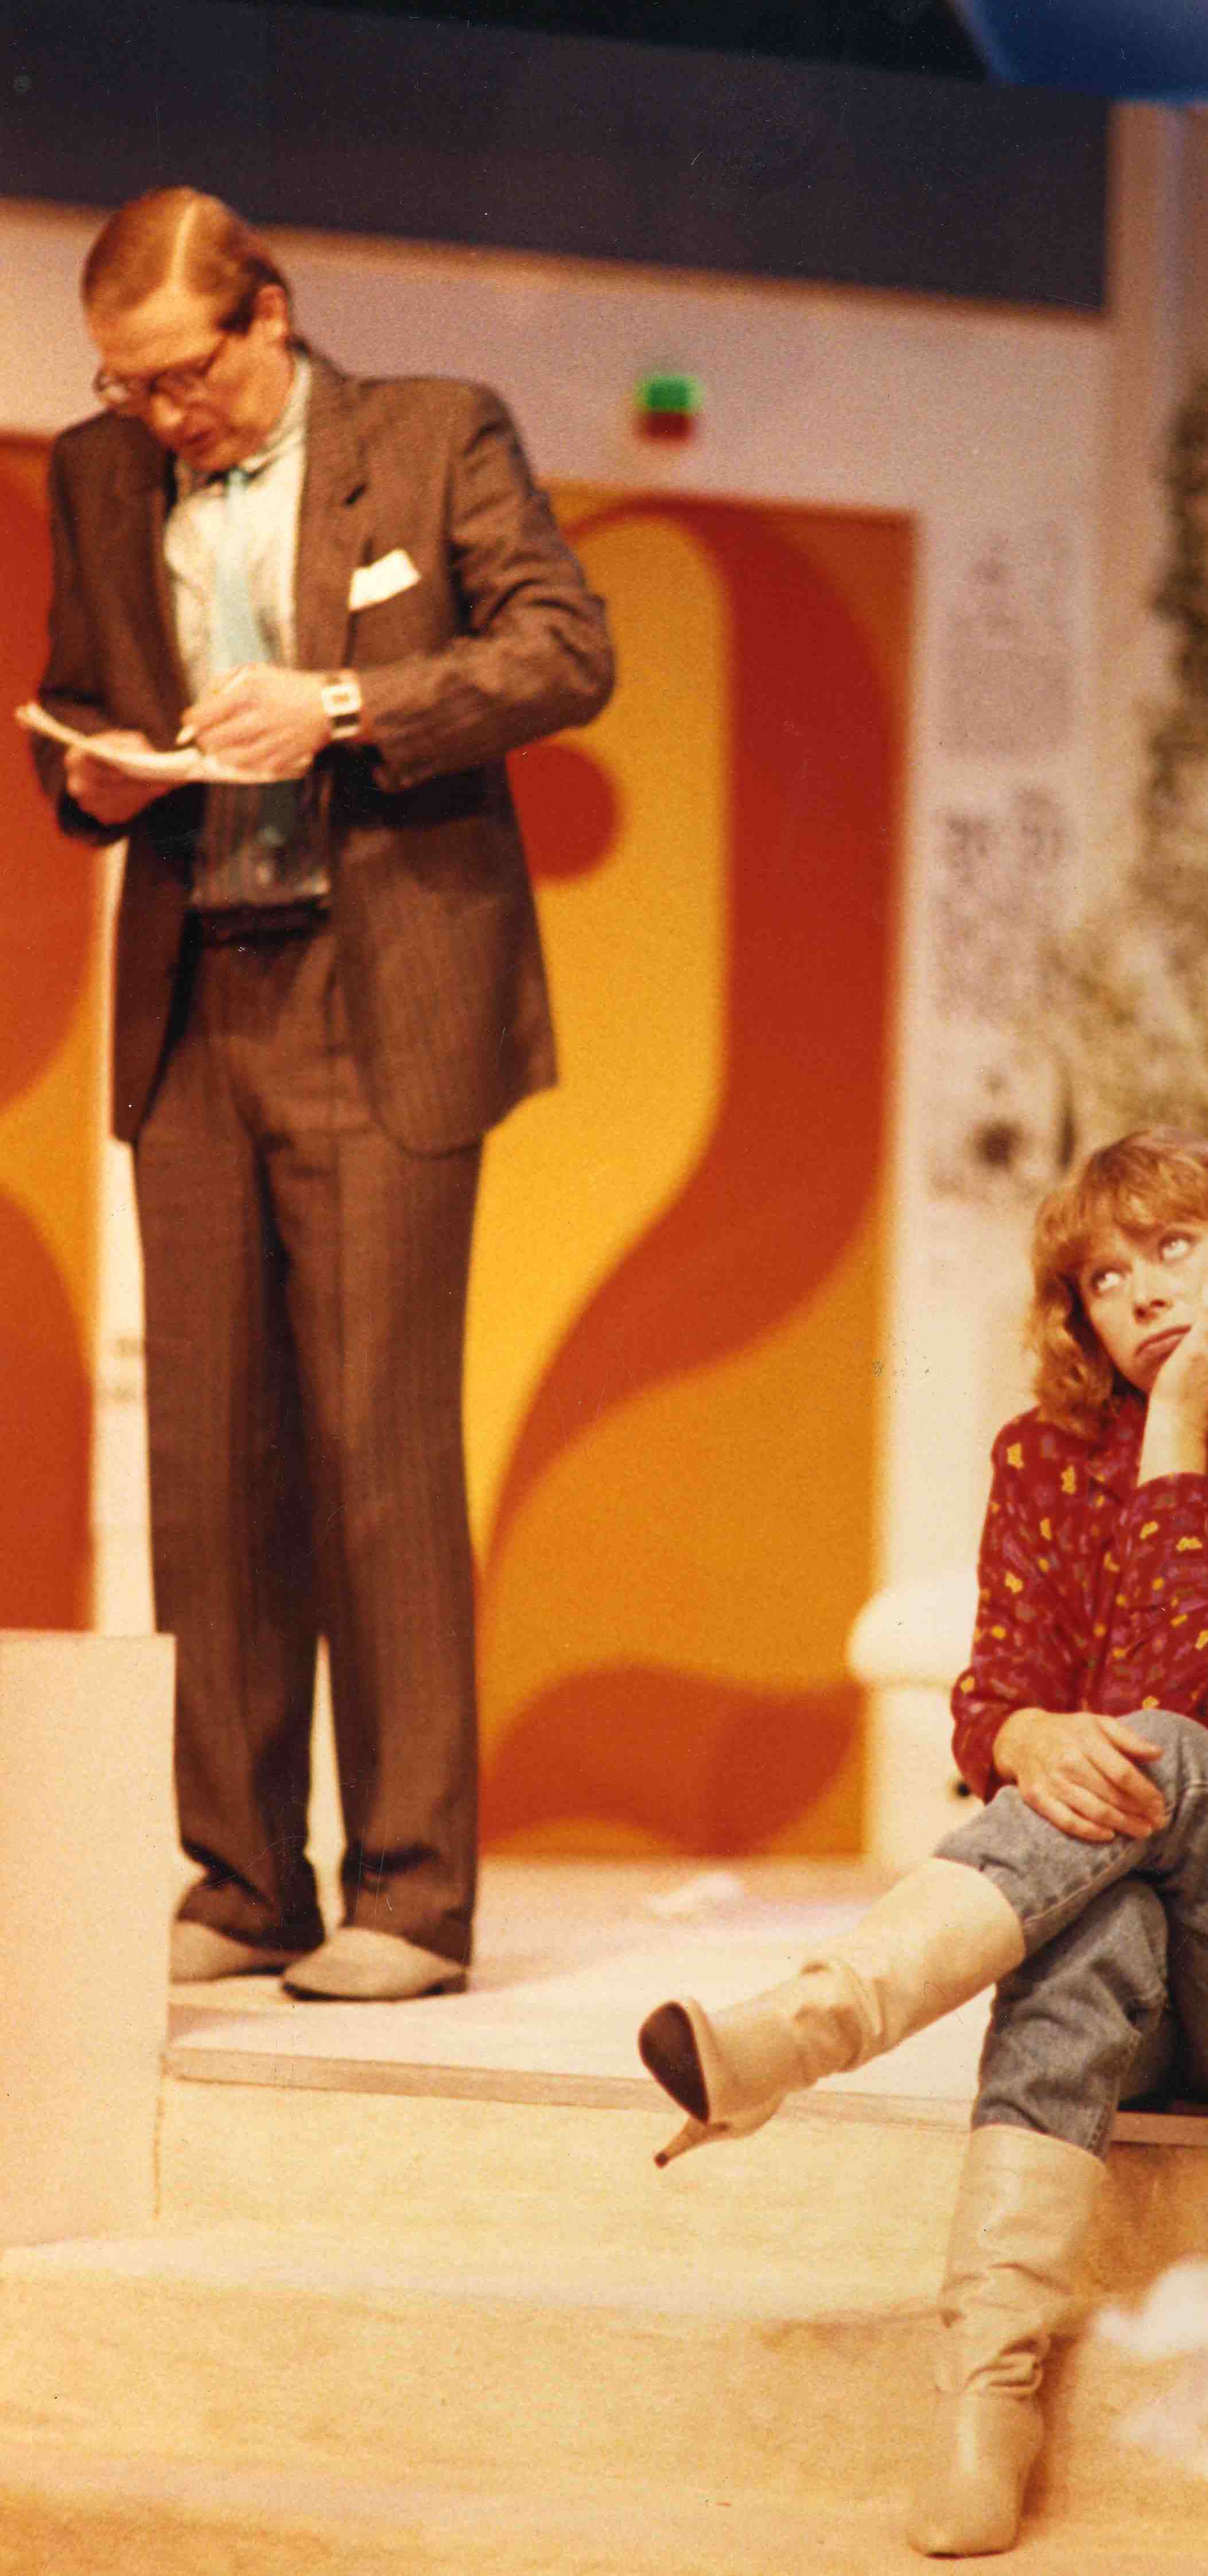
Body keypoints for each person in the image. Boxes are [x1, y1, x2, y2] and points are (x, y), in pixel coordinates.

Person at [638, 1129, 1208, 2557]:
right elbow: (995, 1696)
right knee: (1096, 1924)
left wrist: (1176, 1441)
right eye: (1104, 1278)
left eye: (1173, 1248)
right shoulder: (1046, 1460)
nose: (1140, 1293)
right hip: (1150, 1964)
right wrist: (1019, 1737)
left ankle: (812, 2028)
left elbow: (1173, 1698)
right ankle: (984, 2404)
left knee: (1158, 1757)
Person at [32, 189, 614, 2001]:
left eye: (182, 378)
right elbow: (75, 697)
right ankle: (242, 1876)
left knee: (375, 1445)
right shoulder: (99, 475)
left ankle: (413, 1895)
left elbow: (566, 649)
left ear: (268, 318)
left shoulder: (431, 434)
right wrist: (94, 782)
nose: (158, 415)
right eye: (125, 386)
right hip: (195, 988)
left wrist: (342, 707)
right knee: (205, 1459)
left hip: (381, 993)